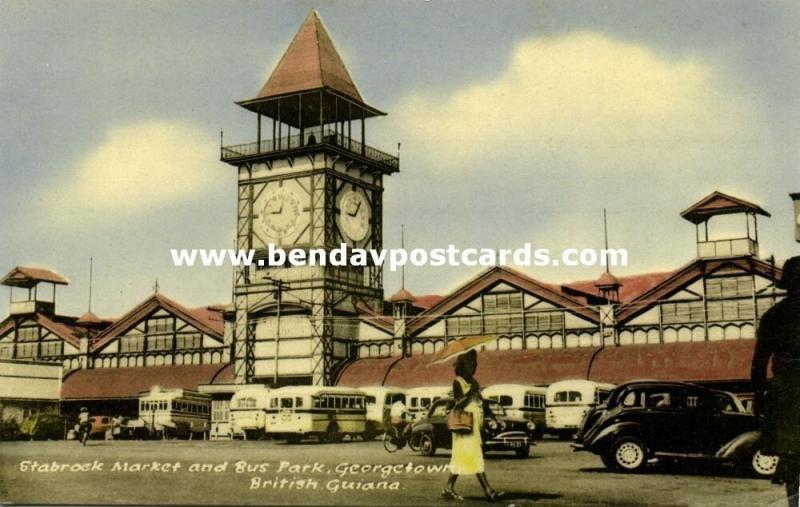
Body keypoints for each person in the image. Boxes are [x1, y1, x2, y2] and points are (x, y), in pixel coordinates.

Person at [752, 256, 800, 507]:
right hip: (788, 394)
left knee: (792, 461)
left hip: (786, 396)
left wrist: (759, 399)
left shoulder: (773, 315)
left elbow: (759, 363)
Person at [442, 349, 503, 502]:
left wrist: (493, 417)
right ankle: (488, 491)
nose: (474, 367)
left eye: (475, 364)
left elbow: (482, 402)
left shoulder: (474, 382)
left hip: (475, 424)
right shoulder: (458, 381)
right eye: (470, 364)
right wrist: (470, 394)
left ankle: (448, 488)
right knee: (475, 454)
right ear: (463, 365)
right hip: (465, 425)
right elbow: (458, 404)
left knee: (461, 456)